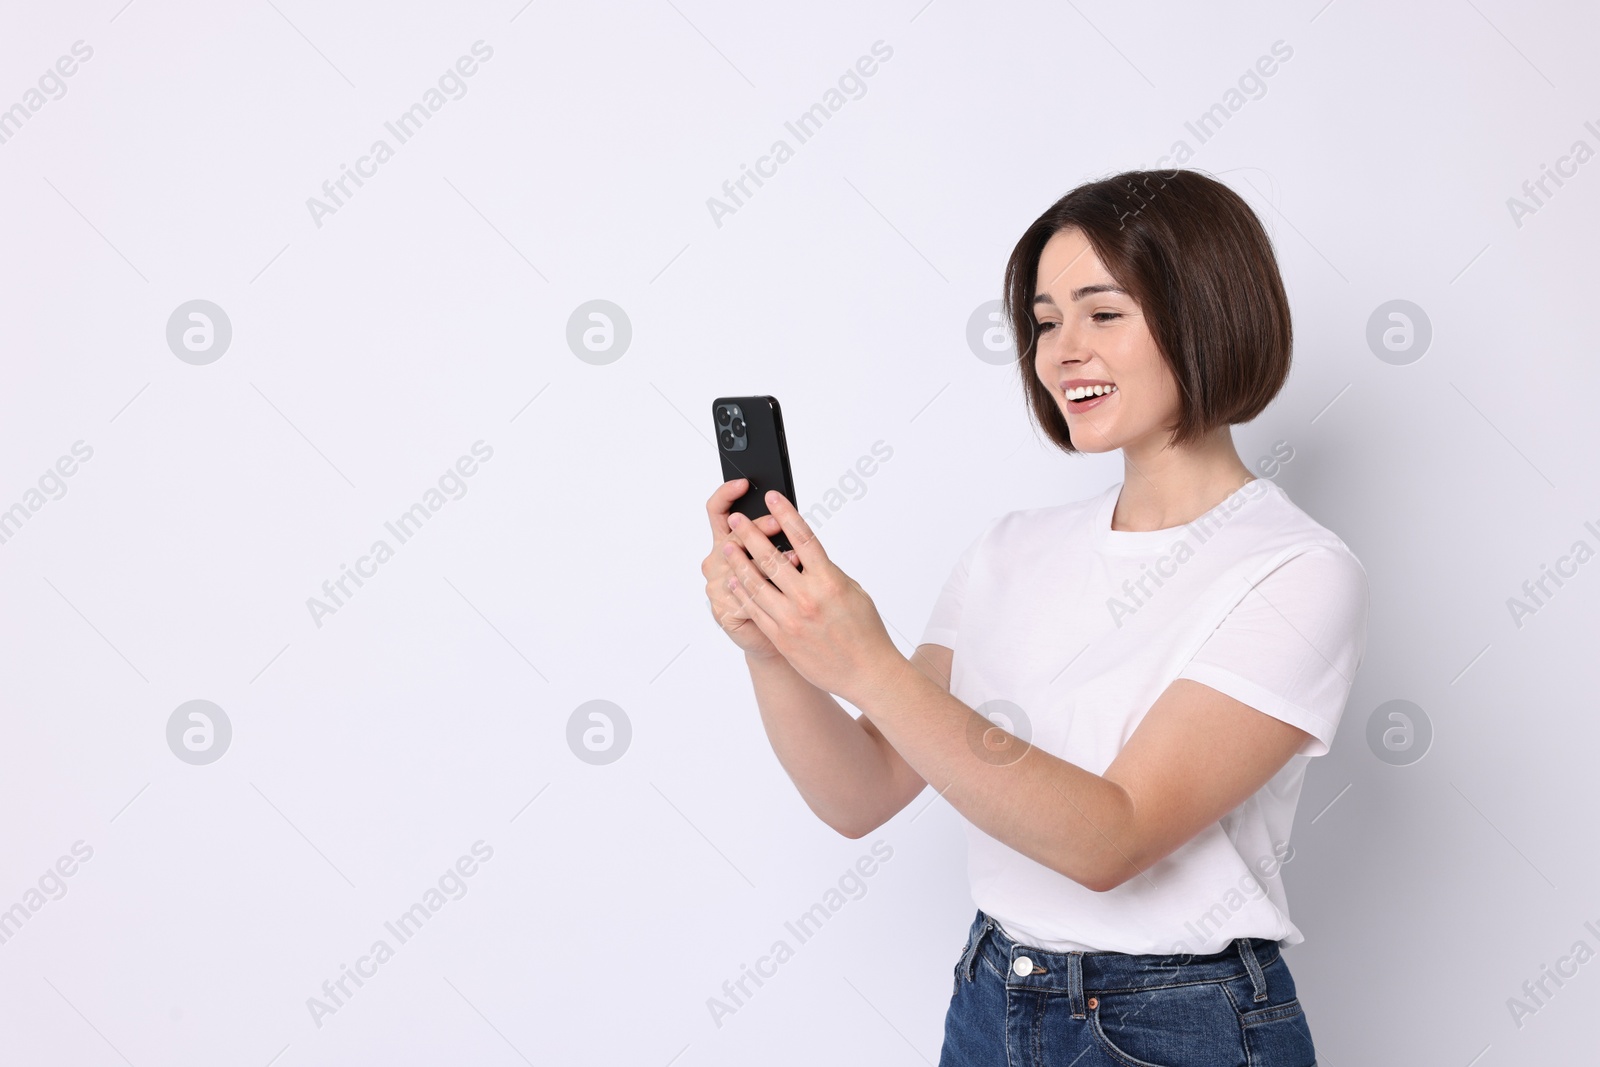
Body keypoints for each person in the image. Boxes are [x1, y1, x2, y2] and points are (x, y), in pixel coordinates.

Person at [701, 168, 1367, 1067]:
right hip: (991, 994)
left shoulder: (1294, 569)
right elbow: (859, 794)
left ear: (1207, 311)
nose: (1062, 351)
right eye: (1046, 321)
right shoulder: (1008, 549)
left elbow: (1112, 836)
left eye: (1103, 312)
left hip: (1176, 1023)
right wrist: (774, 647)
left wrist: (868, 665)